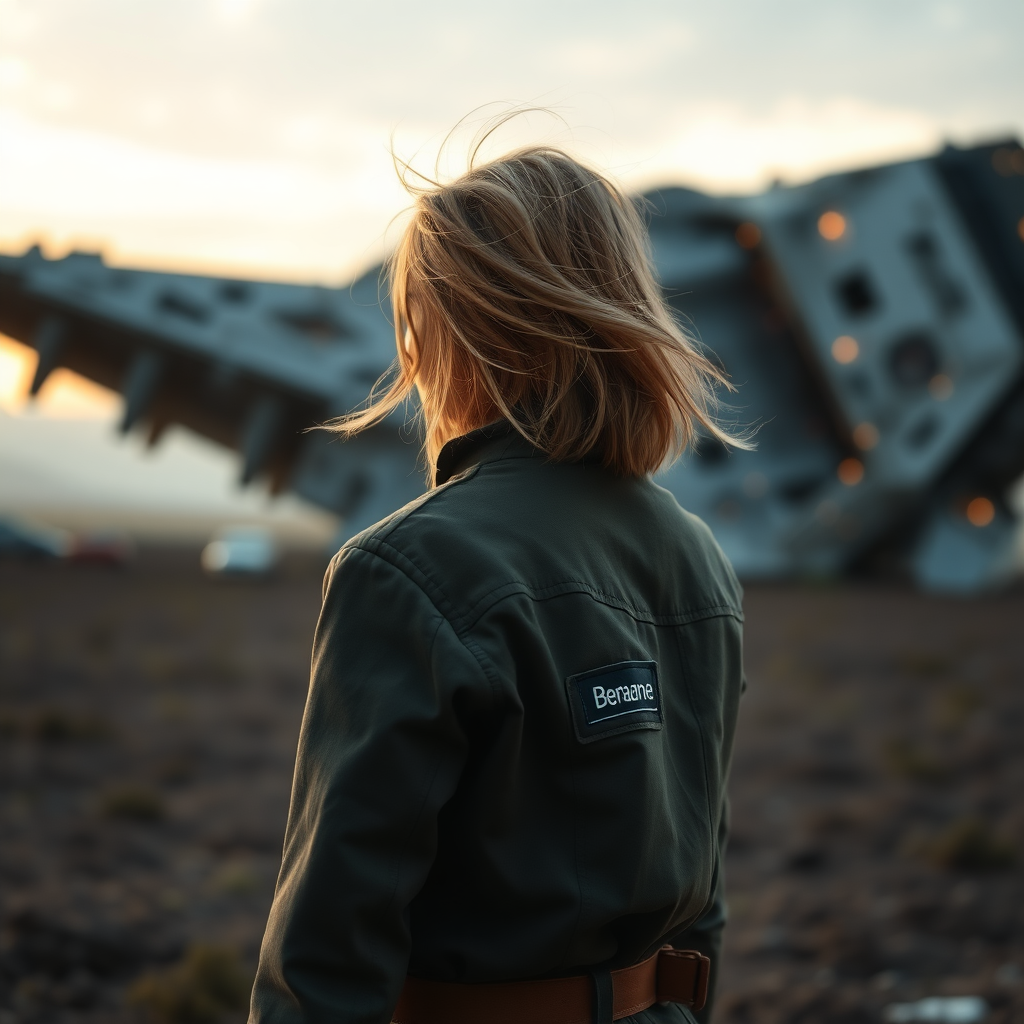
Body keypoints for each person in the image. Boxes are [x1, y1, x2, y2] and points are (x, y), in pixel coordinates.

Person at [250, 139, 747, 1024]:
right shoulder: (698, 558)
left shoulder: (407, 570)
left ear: (454, 332)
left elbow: (331, 947)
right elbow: (697, 901)